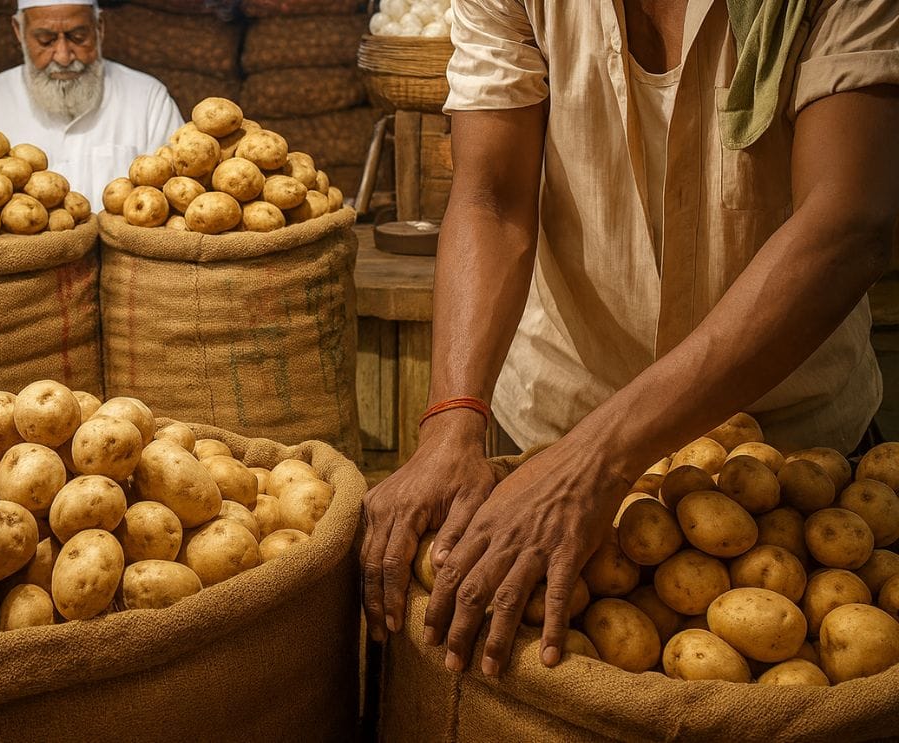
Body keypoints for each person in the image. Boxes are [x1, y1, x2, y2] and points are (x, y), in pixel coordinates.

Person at [361, 0, 899, 679]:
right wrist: (451, 421)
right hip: (555, 444)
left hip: (794, 466)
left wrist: (600, 460)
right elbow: (491, 194)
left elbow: (847, 225)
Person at [0, 0, 184, 204]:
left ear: (100, 27)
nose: (63, 57)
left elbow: (181, 191)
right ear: (19, 31)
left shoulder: (148, 98)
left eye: (78, 37)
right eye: (45, 40)